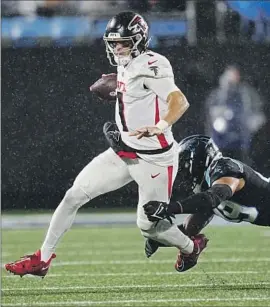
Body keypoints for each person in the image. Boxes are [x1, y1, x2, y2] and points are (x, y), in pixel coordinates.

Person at [5, 11, 208, 278]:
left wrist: (159, 126)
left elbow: (179, 101)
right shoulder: (125, 64)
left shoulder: (152, 64)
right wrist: (118, 96)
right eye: (113, 43)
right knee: (73, 196)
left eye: (122, 42)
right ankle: (42, 259)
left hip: (155, 159)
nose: (116, 47)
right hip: (125, 152)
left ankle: (190, 246)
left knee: (147, 227)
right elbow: (137, 100)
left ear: (139, 39)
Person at [143, 134, 270, 270]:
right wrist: (161, 237)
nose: (183, 173)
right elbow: (190, 228)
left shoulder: (225, 167)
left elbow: (213, 198)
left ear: (197, 159)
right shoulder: (207, 188)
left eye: (185, 164)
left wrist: (169, 208)